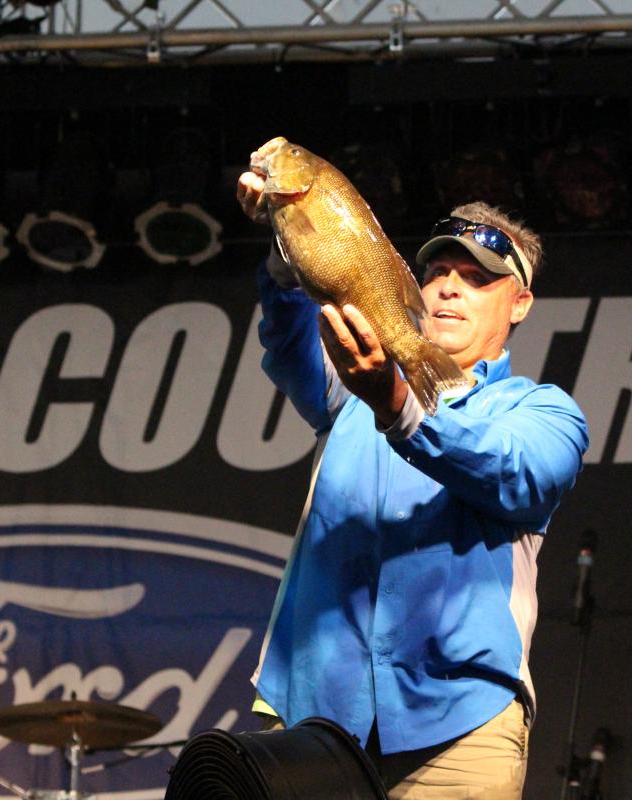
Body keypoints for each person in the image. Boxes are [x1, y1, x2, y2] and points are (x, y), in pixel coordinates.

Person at [236, 163, 589, 798]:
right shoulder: (351, 389)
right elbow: (289, 338)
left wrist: (398, 405)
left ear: (520, 302)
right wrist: (287, 247)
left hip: (459, 726)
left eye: (479, 278)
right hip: (313, 716)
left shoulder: (543, 412)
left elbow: (518, 474)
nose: (449, 289)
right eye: (438, 273)